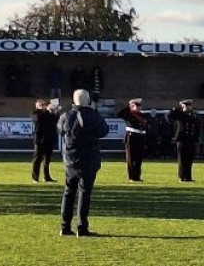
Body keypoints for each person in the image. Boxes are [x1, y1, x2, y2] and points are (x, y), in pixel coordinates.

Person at [58, 89, 109, 236]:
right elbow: (104, 131)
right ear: (87, 101)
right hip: (88, 159)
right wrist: (94, 111)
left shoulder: (66, 116)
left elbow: (60, 130)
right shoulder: (92, 115)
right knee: (84, 193)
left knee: (68, 192)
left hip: (70, 159)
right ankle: (82, 227)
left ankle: (65, 226)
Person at [117, 98, 149, 182]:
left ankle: (137, 176)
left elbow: (145, 127)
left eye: (139, 106)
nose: (138, 108)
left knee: (139, 159)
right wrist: (129, 107)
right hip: (131, 138)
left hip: (140, 138)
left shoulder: (142, 115)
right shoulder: (128, 114)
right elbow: (119, 114)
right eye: (136, 106)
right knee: (131, 158)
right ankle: (131, 176)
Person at [168, 99, 200, 182]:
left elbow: (197, 129)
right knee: (182, 160)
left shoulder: (193, 115)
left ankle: (188, 177)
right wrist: (178, 108)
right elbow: (170, 115)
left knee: (189, 160)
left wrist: (196, 140)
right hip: (182, 140)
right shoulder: (180, 115)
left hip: (191, 140)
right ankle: (182, 177)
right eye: (186, 106)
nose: (188, 107)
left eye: (189, 106)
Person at [31, 99, 59, 183]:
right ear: (36, 105)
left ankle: (47, 177)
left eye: (43, 104)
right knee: (37, 159)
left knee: (47, 159)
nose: (43, 105)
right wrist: (46, 110)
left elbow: (56, 119)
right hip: (40, 139)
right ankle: (35, 177)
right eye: (41, 104)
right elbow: (37, 119)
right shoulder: (35, 113)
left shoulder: (48, 113)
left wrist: (55, 111)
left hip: (49, 139)